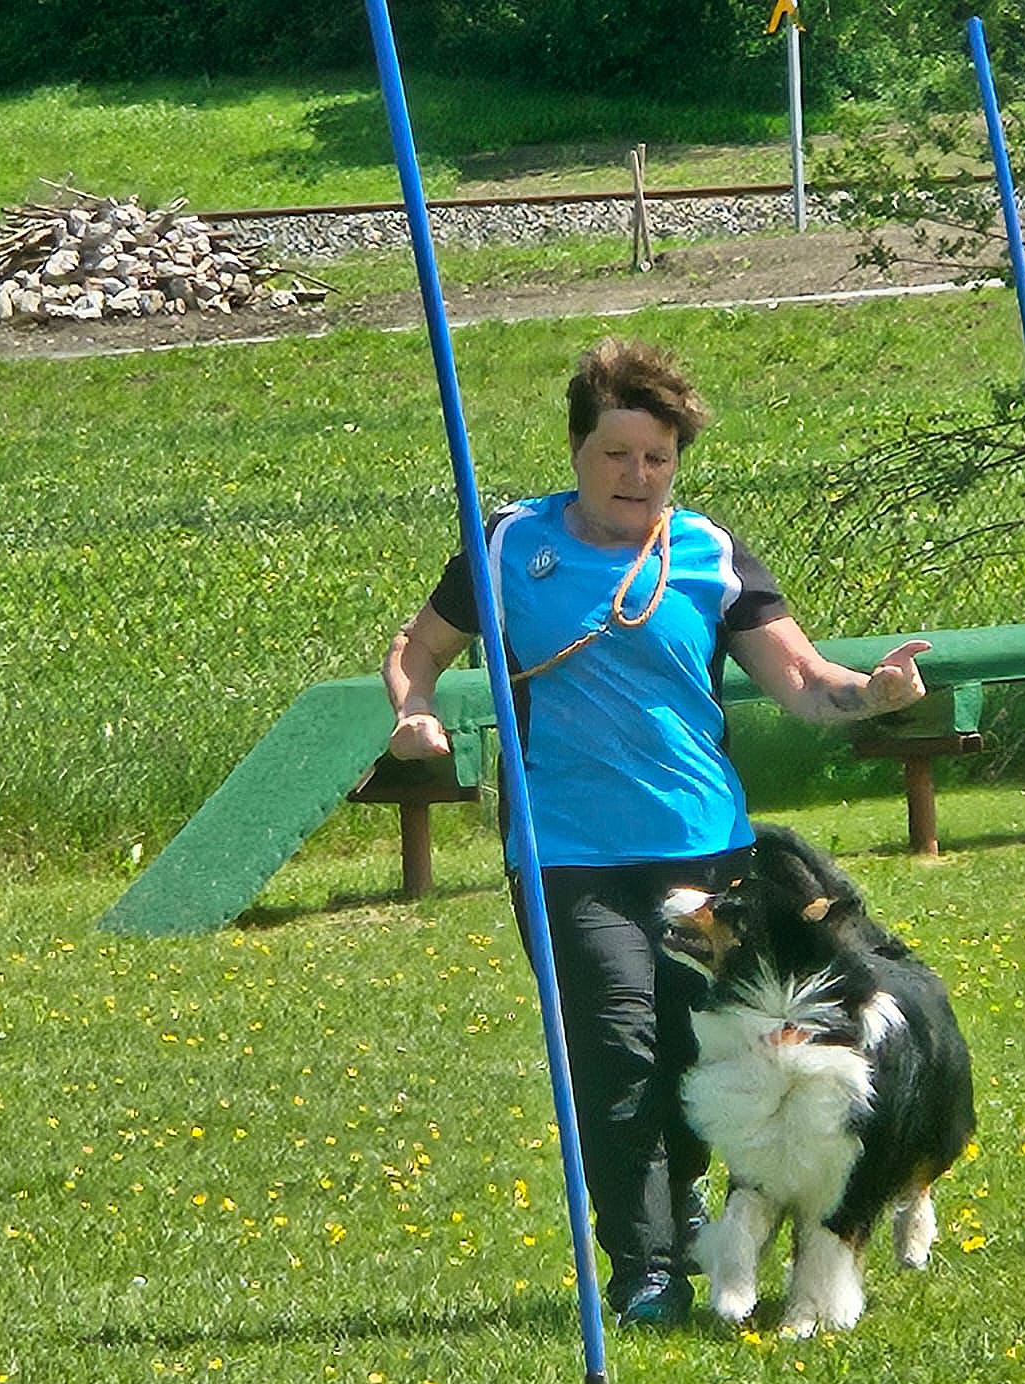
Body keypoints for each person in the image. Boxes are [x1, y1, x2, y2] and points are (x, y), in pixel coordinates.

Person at [382, 337, 929, 1328]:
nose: (638, 475)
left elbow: (804, 680)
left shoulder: (709, 554)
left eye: (658, 458)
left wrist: (874, 691)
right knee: (614, 1050)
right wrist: (414, 711)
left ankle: (685, 1207)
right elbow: (416, 648)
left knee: (694, 1052)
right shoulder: (508, 546)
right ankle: (646, 1268)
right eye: (617, 454)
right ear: (576, 451)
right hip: (566, 854)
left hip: (704, 853)